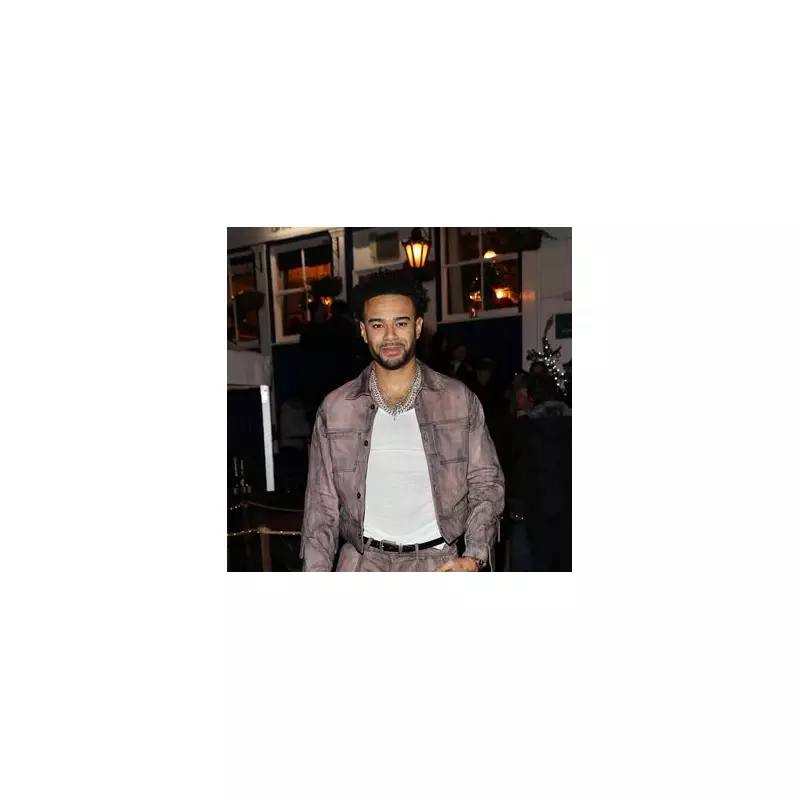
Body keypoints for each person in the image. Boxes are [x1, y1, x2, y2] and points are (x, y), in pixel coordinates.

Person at [300, 268, 505, 572]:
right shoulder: (336, 409)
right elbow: (321, 507)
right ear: (363, 331)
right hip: (362, 565)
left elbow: (486, 484)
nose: (390, 336)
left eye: (401, 323)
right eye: (377, 325)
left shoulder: (458, 401)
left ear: (418, 327)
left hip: (438, 565)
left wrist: (474, 555)